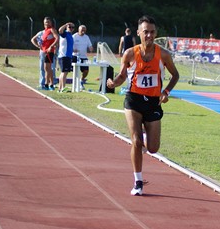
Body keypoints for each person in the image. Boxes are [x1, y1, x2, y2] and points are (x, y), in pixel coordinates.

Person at [107, 15, 180, 196]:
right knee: (136, 141)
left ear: (156, 33)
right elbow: (123, 76)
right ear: (138, 33)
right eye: (145, 32)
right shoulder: (130, 53)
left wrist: (166, 92)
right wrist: (114, 83)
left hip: (154, 101)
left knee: (153, 149)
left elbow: (175, 75)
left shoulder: (163, 54)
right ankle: (138, 181)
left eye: (152, 32)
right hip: (133, 100)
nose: (149, 35)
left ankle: (147, 133)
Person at [31, 17, 59, 89]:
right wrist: (38, 46)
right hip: (44, 51)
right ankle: (46, 84)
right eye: (45, 22)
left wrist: (51, 46)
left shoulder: (52, 29)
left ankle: (51, 84)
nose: (47, 23)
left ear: (51, 23)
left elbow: (57, 38)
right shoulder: (43, 32)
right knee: (45, 68)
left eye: (48, 22)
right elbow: (34, 40)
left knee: (49, 68)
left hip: (49, 52)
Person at [72, 25, 94, 89]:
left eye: (84, 30)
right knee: (75, 71)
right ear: (79, 30)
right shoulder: (74, 36)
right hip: (75, 56)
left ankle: (81, 80)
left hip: (84, 57)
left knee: (86, 71)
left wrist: (91, 48)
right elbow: (70, 45)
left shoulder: (86, 37)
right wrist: (73, 50)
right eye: (82, 30)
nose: (83, 31)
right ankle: (76, 84)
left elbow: (90, 45)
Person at [57, 22, 74, 92]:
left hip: (68, 56)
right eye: (70, 27)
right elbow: (60, 30)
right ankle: (62, 87)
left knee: (64, 72)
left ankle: (60, 88)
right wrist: (65, 25)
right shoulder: (65, 34)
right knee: (64, 72)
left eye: (73, 27)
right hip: (64, 56)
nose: (71, 28)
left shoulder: (71, 35)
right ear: (67, 28)